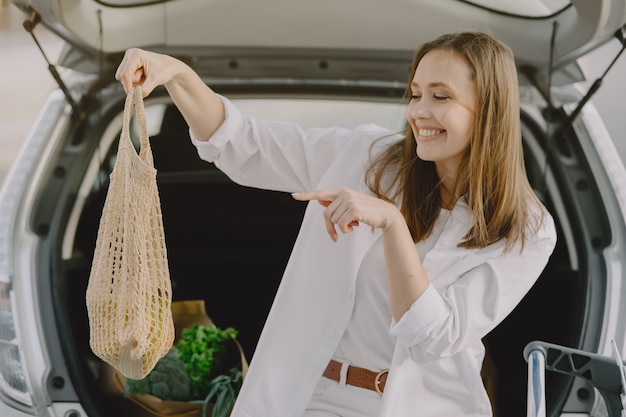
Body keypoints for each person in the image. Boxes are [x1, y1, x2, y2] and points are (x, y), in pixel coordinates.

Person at [115, 31, 557, 417]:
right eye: (415, 93)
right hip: (319, 397)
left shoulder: (528, 230)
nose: (419, 111)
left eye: (440, 97)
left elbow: (432, 338)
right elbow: (243, 143)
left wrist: (392, 225)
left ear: (490, 110)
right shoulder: (367, 155)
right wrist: (176, 74)